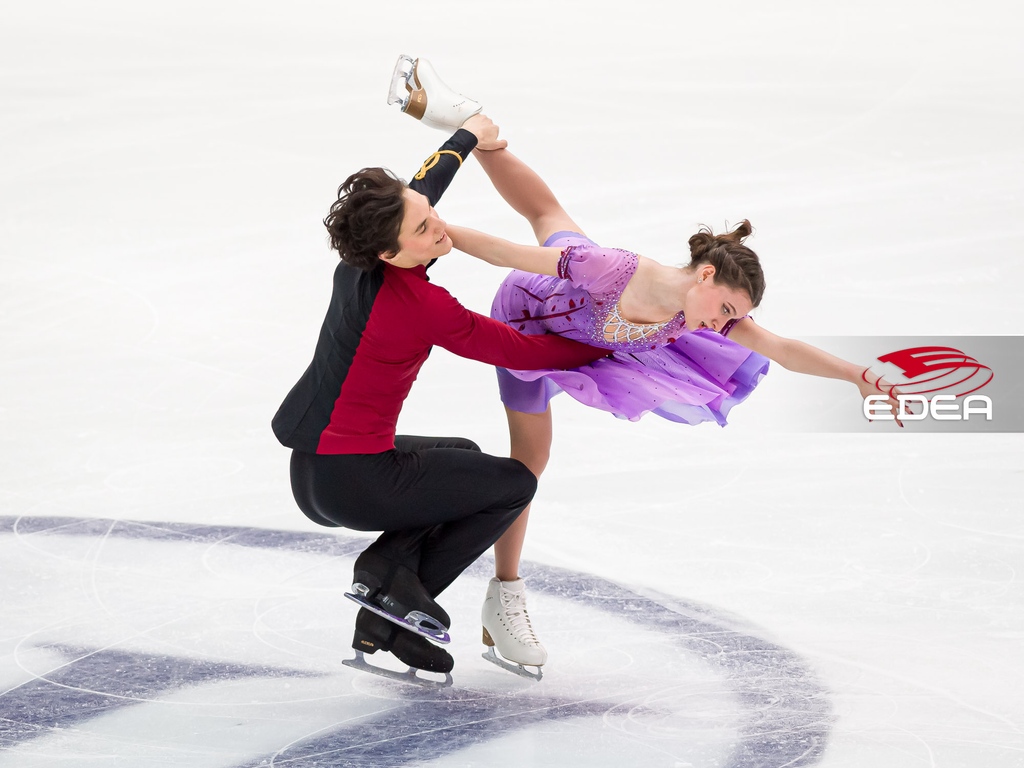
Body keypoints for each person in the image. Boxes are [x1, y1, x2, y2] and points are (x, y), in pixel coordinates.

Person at [388, 57, 908, 675]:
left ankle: (472, 122)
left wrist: (857, 375)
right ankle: (508, 592)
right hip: (528, 320)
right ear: (706, 275)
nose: (722, 323)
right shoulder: (613, 269)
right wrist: (431, 231)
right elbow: (509, 253)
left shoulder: (695, 311)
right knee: (528, 462)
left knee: (551, 214)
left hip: (585, 333)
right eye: (725, 308)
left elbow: (782, 349)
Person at [271, 111, 608, 680]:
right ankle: (393, 583)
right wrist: (608, 349)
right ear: (390, 253)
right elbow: (517, 350)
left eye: (430, 216)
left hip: (316, 469)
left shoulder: (365, 255)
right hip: (355, 481)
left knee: (465, 456)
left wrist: (467, 136)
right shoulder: (423, 306)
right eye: (424, 230)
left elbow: (425, 184)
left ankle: (384, 622)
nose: (438, 228)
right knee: (513, 484)